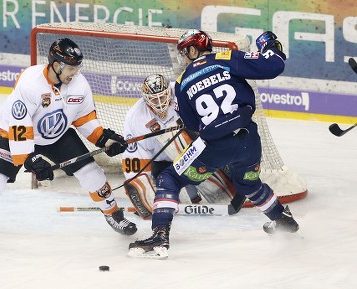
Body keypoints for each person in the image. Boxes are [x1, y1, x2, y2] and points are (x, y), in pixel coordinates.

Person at [0, 38, 137, 246]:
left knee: (93, 174)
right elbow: (19, 125)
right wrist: (29, 158)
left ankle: (113, 215)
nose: (76, 72)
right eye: (71, 67)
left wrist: (102, 138)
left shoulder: (78, 84)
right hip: (14, 136)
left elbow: (84, 117)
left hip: (57, 136)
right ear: (57, 65)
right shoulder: (30, 82)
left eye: (77, 67)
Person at [128, 30, 299, 259]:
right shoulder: (227, 58)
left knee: (170, 178)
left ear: (191, 50)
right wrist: (270, 45)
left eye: (183, 52)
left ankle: (159, 236)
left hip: (215, 146)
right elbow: (274, 66)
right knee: (248, 183)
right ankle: (281, 219)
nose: (183, 58)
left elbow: (192, 125)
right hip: (249, 139)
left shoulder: (181, 82)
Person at [122, 74, 244, 219]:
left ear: (169, 91)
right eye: (154, 99)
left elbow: (213, 121)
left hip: (193, 150)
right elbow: (134, 158)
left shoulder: (184, 92)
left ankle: (218, 179)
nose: (160, 103)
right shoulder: (135, 117)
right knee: (164, 200)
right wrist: (139, 190)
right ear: (145, 98)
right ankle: (188, 190)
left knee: (225, 197)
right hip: (161, 164)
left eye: (162, 97)